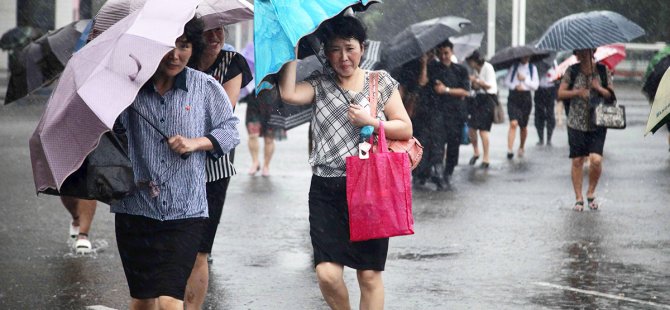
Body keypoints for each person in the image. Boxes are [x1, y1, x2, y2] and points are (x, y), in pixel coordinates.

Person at [278, 15, 412, 309]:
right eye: (335, 49)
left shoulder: (381, 82)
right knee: (327, 273)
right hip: (326, 187)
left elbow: (405, 127)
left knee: (369, 275)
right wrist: (291, 48)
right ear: (326, 52)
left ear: (362, 48)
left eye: (350, 48)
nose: (343, 57)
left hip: (370, 186)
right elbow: (287, 92)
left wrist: (372, 122)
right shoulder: (320, 84)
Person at [112, 18, 239, 309]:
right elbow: (110, 133)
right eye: (168, 46)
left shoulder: (204, 87)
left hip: (185, 210)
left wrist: (197, 142)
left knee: (170, 300)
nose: (175, 54)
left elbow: (230, 130)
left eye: (184, 46)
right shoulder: (128, 89)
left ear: (193, 48)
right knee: (142, 300)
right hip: (135, 208)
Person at [184, 24, 252, 309]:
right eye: (207, 32)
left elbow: (223, 115)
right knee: (175, 245)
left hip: (215, 164)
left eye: (220, 30)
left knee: (200, 248)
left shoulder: (231, 62)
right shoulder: (179, 56)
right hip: (175, 162)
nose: (215, 37)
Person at [557, 48, 613, 211]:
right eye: (578, 52)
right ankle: (578, 198)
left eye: (584, 51)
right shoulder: (572, 71)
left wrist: (599, 88)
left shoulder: (603, 70)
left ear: (591, 51)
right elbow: (560, 94)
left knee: (596, 160)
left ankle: (590, 192)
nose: (580, 55)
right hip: (576, 121)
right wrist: (578, 92)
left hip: (598, 121)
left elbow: (611, 95)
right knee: (577, 160)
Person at [429, 40, 470, 186]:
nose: (444, 56)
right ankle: (438, 171)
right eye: (441, 54)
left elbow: (465, 91)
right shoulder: (433, 68)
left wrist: (446, 90)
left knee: (454, 145)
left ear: (452, 52)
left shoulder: (461, 70)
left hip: (456, 114)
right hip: (438, 112)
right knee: (438, 143)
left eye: (446, 53)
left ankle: (448, 173)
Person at [392, 51, 433, 184]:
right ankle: (417, 172)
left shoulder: (434, 65)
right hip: (413, 109)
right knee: (415, 141)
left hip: (427, 109)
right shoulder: (407, 67)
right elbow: (421, 81)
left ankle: (422, 172)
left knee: (425, 141)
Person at [465, 51, 498, 169]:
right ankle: (476, 151)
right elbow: (476, 87)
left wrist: (476, 80)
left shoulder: (488, 68)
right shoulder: (475, 71)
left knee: (483, 130)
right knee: (471, 128)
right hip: (477, 99)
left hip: (488, 100)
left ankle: (486, 157)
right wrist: (474, 83)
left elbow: (490, 85)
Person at [244, 90, 287, 177]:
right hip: (254, 100)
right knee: (253, 134)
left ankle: (266, 166)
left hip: (273, 100)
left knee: (269, 138)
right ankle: (255, 162)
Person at [504, 56, 539, 159]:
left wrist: (525, 80)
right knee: (513, 123)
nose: (525, 58)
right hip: (514, 97)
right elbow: (506, 81)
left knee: (523, 126)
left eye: (528, 56)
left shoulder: (533, 68)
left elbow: (535, 85)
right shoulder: (514, 67)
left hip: (526, 98)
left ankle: (521, 146)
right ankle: (509, 150)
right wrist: (514, 86)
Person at [534, 60, 558, 146]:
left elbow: (557, 75)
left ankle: (549, 138)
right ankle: (540, 138)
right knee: (539, 114)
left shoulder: (553, 62)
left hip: (550, 90)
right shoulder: (537, 62)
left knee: (550, 114)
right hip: (539, 90)